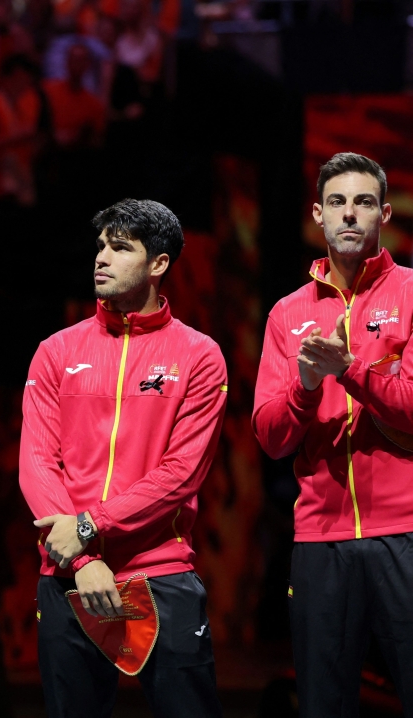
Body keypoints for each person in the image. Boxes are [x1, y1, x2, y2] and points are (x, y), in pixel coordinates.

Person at [20, 199, 227, 718]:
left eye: (120, 247)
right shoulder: (56, 351)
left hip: (160, 573)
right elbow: (38, 462)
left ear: (158, 264)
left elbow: (181, 474)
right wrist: (85, 558)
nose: (102, 258)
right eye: (100, 246)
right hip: (69, 575)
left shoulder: (199, 355)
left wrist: (89, 526)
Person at [253, 153, 413, 717]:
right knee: (323, 705)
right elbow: (271, 439)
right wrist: (303, 386)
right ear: (318, 214)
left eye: (364, 202)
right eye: (338, 203)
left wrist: (348, 370)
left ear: (385, 214)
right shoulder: (285, 314)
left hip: (406, 531)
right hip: (320, 539)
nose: (350, 214)